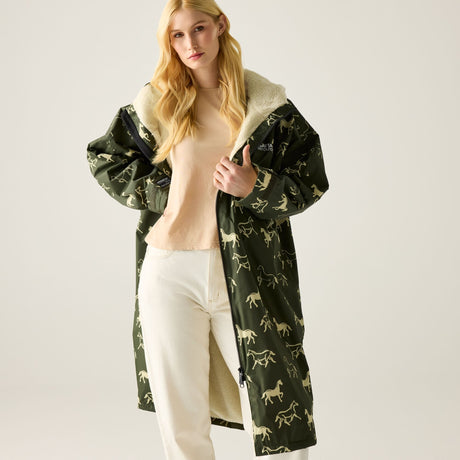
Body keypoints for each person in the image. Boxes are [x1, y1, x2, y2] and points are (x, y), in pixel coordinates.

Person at [86, 1, 329, 458]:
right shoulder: (158, 103)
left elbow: (311, 180)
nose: (190, 43)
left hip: (246, 271)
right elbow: (105, 157)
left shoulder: (266, 106)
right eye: (177, 35)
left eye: (198, 28)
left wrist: (255, 186)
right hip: (169, 270)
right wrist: (165, 190)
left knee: (277, 403)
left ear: (220, 26)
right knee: (182, 420)